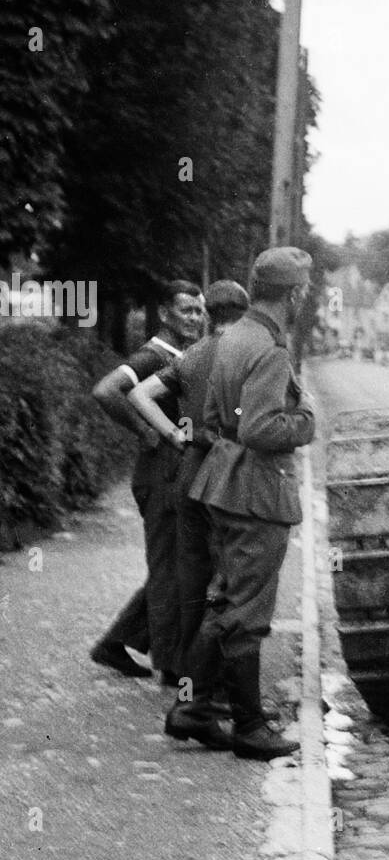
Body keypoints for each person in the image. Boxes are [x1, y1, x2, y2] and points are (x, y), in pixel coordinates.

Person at [187, 247, 316, 759]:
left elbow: (217, 416)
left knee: (223, 600)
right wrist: (305, 420)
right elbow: (261, 428)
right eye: (303, 289)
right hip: (257, 493)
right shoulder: (269, 349)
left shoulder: (234, 335)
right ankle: (249, 727)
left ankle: (192, 709)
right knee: (247, 612)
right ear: (293, 293)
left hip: (223, 484)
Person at [127, 280, 250, 698]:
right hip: (229, 470)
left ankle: (182, 676)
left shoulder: (193, 356)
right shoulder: (247, 354)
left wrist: (172, 436)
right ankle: (216, 681)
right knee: (230, 577)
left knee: (189, 576)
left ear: (209, 313)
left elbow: (140, 394)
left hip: (189, 468)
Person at [90, 280, 206, 683]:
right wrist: (146, 432)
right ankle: (174, 670)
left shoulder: (182, 355)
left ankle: (116, 643)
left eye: (199, 310)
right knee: (168, 569)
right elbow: (106, 390)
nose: (195, 317)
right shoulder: (154, 354)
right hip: (160, 473)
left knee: (174, 563)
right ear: (164, 314)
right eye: (187, 310)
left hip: (172, 471)